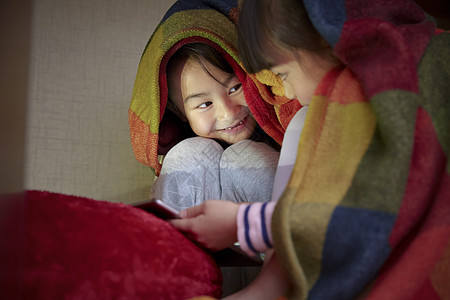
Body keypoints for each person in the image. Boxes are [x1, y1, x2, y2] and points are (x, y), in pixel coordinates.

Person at [171, 0, 450, 299]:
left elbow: (364, 210)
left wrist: (243, 221)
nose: (287, 93)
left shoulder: (368, 93)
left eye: (284, 74)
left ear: (325, 36)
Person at [128, 0, 299, 296]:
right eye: (204, 104)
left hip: (280, 267)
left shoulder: (292, 132)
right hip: (209, 278)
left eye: (235, 87)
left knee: (241, 157)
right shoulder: (189, 158)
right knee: (191, 154)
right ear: (180, 113)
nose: (228, 112)